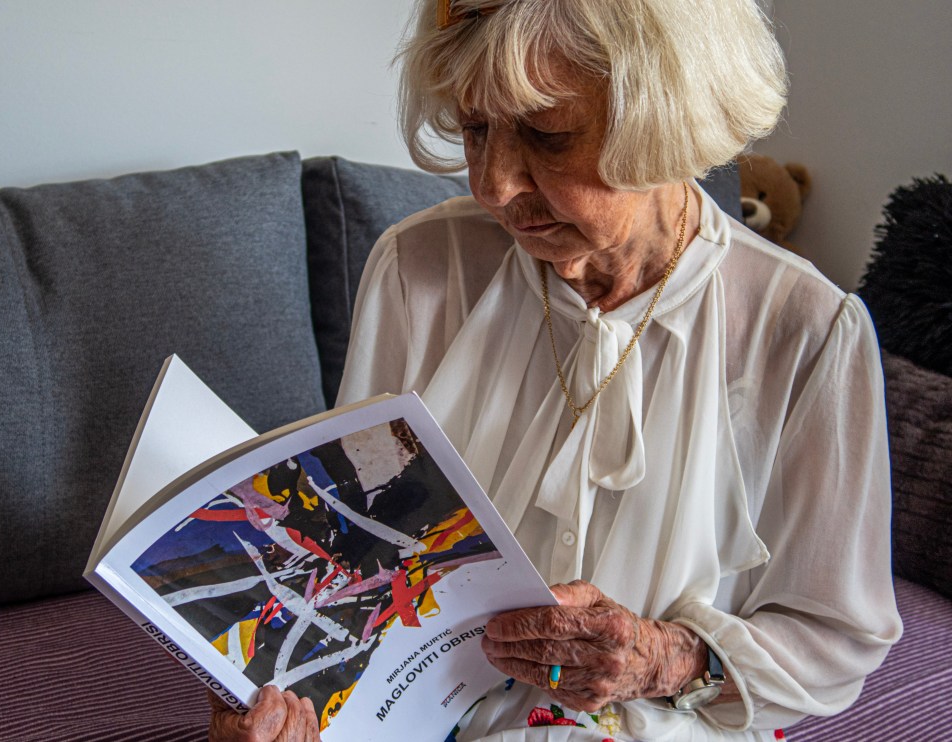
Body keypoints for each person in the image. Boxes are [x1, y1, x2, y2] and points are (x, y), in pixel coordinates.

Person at [209, 0, 902, 739]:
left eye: (548, 135)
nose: (494, 185)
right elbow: (351, 553)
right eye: (475, 129)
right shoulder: (418, 270)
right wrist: (284, 702)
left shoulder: (806, 329)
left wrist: (664, 659)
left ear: (666, 123)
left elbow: (835, 638)